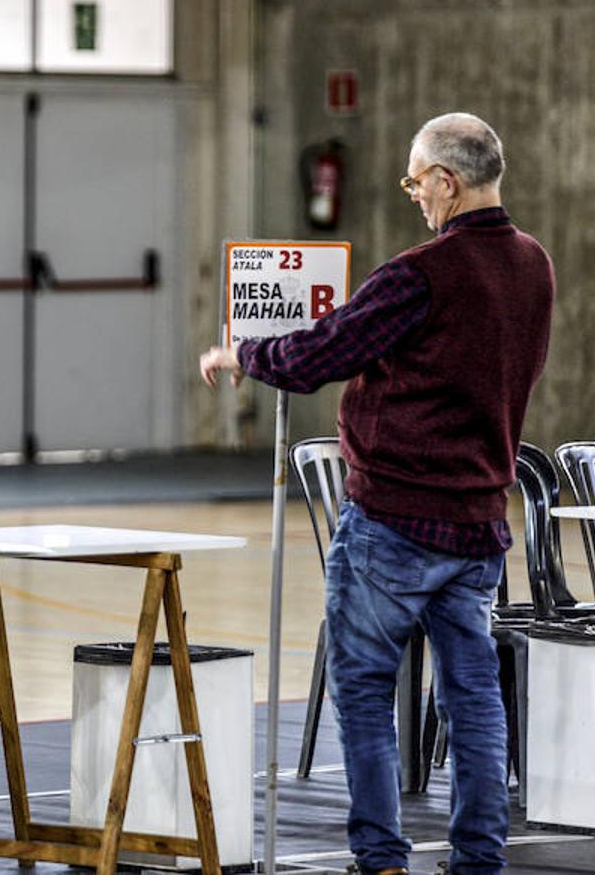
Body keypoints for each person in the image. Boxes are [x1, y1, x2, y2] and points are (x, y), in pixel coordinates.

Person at [200, 112, 553, 875]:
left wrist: (245, 354)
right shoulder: (534, 266)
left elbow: (323, 352)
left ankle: (382, 858)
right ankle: (478, 860)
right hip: (480, 523)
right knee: (474, 701)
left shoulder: (421, 273)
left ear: (447, 182)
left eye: (416, 181)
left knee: (363, 690)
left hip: (394, 521)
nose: (414, 197)